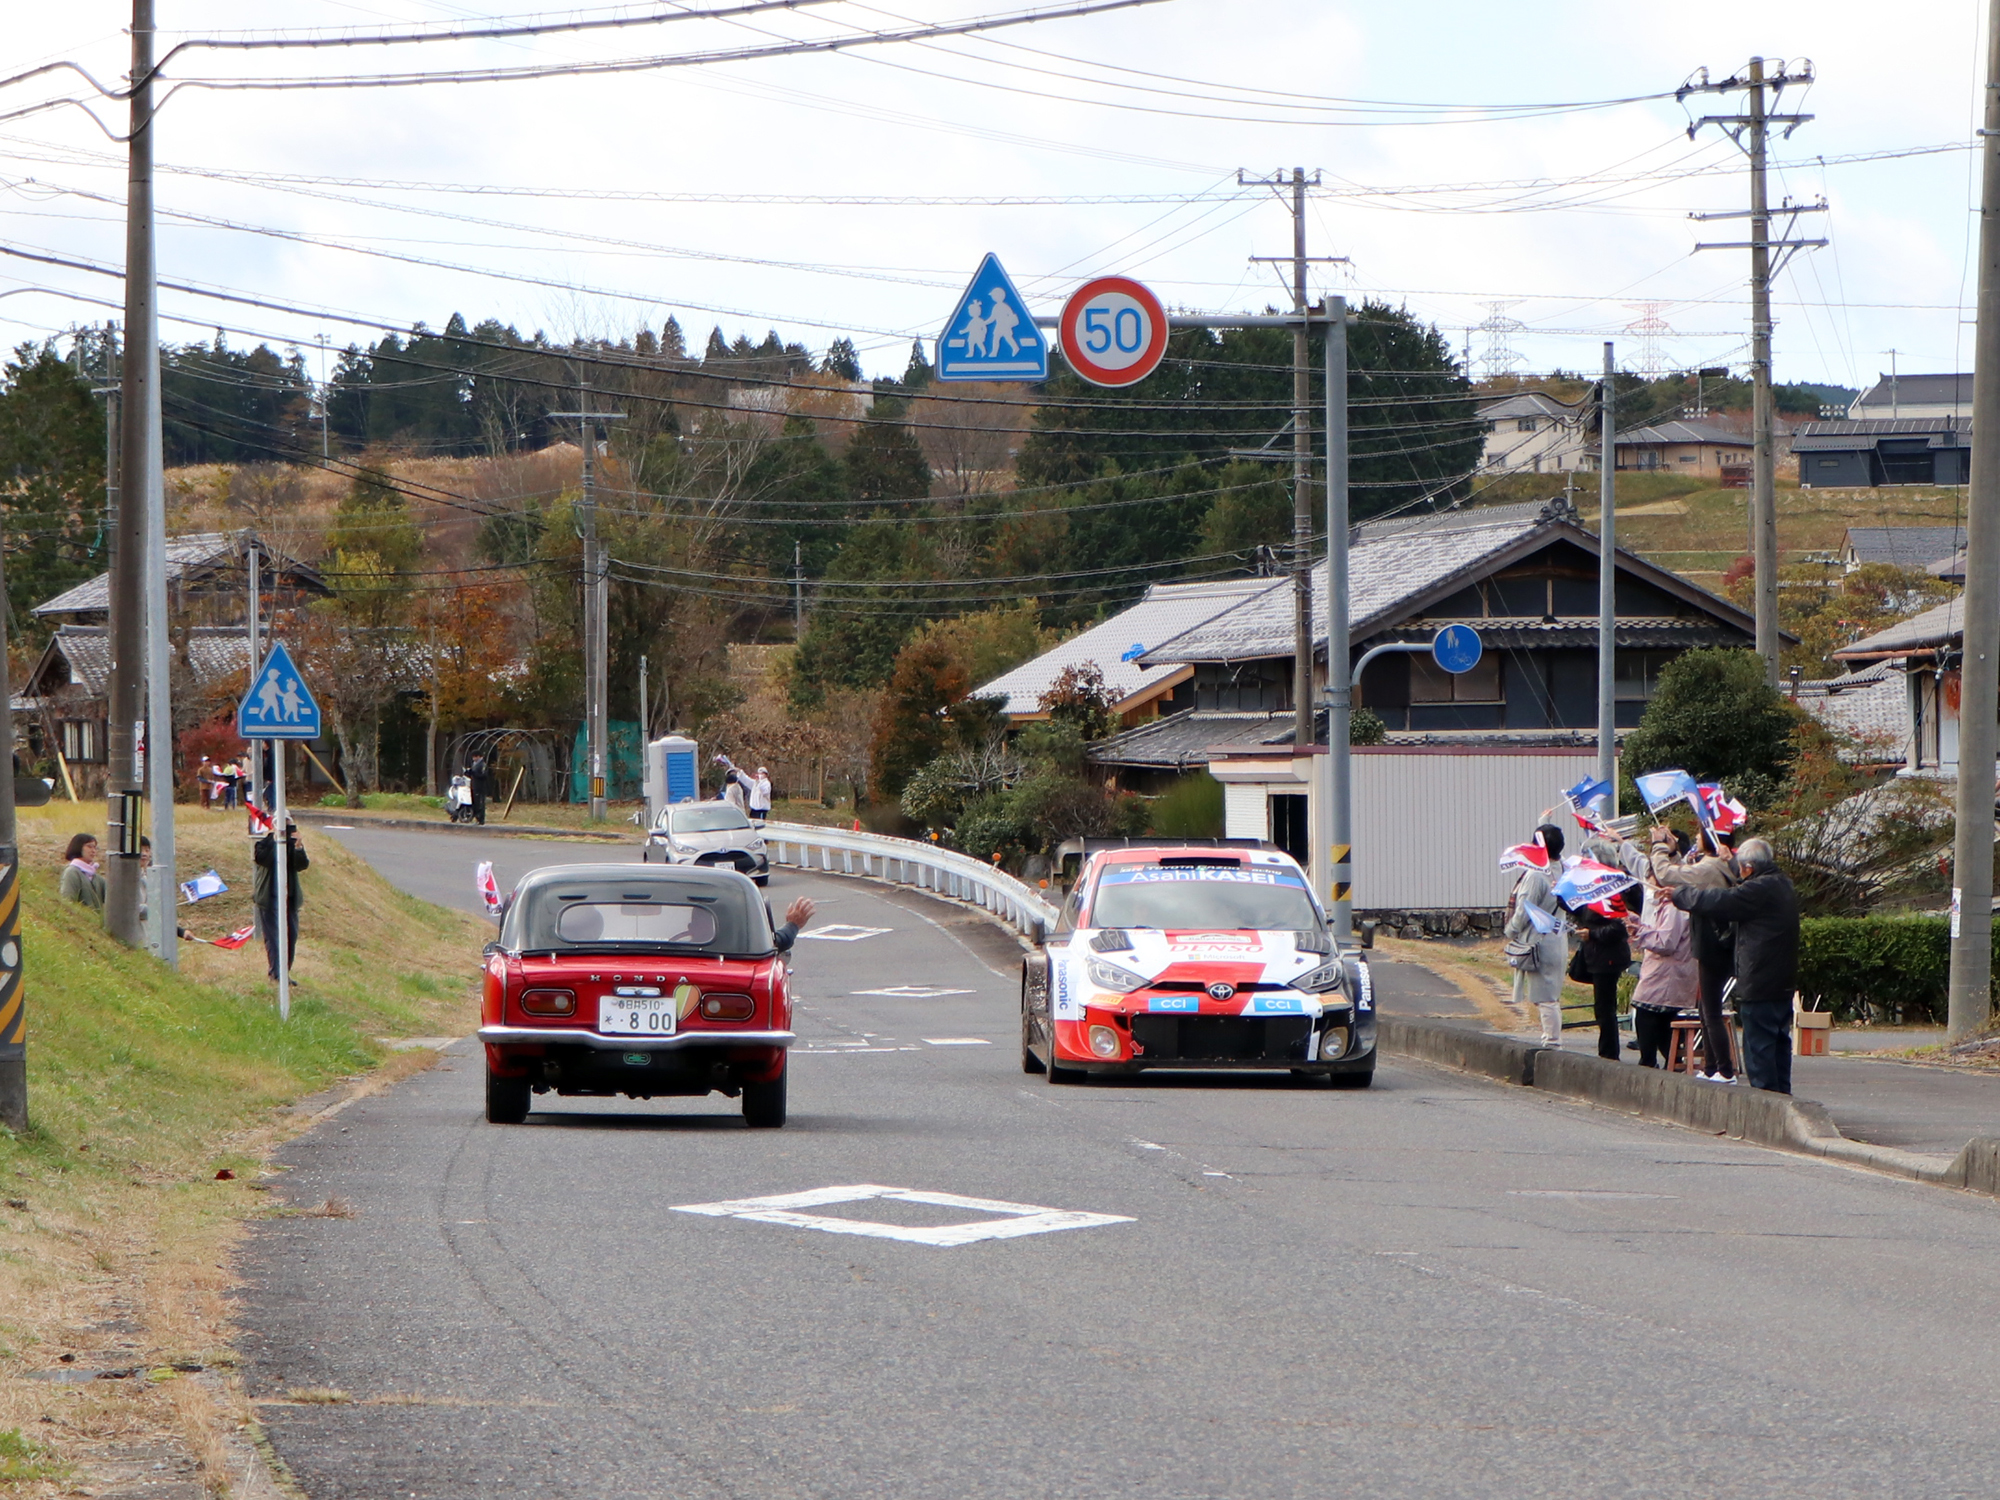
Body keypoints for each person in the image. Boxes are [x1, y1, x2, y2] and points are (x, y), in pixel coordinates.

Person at [1670, 837, 1801, 1094]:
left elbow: (1722, 900)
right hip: (1781, 979)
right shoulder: (1781, 883)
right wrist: (1730, 861)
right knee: (1778, 1046)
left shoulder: (1758, 890)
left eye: (1742, 868)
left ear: (1749, 867)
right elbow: (1740, 889)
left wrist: (1678, 893)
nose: (1739, 872)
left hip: (1760, 978)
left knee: (1759, 1050)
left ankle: (1767, 1105)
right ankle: (1783, 1100)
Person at [1650, 826, 1740, 1082]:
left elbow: (1667, 875)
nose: (1697, 838)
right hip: (1717, 940)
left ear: (1711, 841)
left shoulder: (1709, 867)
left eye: (1701, 835)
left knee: (1710, 1009)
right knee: (1705, 1008)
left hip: (1712, 943)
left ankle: (1724, 1069)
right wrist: (1674, 850)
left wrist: (1658, 846)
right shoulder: (1719, 866)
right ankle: (1711, 1067)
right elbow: (1685, 878)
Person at [1503, 822, 1567, 1047]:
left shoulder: (1535, 875)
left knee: (1545, 997)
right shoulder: (1563, 869)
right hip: (1558, 939)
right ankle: (1552, 1039)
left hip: (1539, 941)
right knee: (1552, 993)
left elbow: (1524, 910)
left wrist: (1510, 930)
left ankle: (1552, 1042)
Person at [1630, 870, 1698, 1069]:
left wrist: (1640, 932)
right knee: (1661, 1023)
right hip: (1668, 974)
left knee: (1647, 1015)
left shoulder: (1674, 908)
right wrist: (1639, 926)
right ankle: (1669, 1063)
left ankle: (1652, 1063)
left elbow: (1666, 942)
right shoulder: (1671, 906)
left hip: (1667, 975)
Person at [1570, 897, 1631, 1061]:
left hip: (1608, 959)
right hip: (1596, 956)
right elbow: (1574, 909)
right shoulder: (1589, 898)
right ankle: (1606, 1050)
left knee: (1605, 1006)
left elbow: (1618, 929)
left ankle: (1609, 1052)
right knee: (1602, 1006)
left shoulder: (1610, 899)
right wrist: (1561, 894)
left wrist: (1592, 934)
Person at [253, 819, 310, 982]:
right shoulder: (263, 844)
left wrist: (298, 846)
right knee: (273, 937)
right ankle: (276, 973)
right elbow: (265, 860)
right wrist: (277, 840)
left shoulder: (292, 845)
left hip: (289, 897)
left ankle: (284, 972)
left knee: (290, 936)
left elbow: (301, 865)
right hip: (269, 897)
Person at [59, 833, 104, 909]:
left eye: (95, 847)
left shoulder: (95, 876)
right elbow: (67, 901)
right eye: (89, 846)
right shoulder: (72, 872)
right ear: (78, 847)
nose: (93, 851)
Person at [466, 754, 490, 825]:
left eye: (475, 757)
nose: (473, 758)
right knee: (475, 803)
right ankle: (477, 818)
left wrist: (474, 773)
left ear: (479, 756)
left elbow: (484, 775)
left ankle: (481, 819)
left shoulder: (483, 765)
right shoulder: (474, 764)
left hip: (480, 787)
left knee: (480, 803)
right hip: (474, 786)